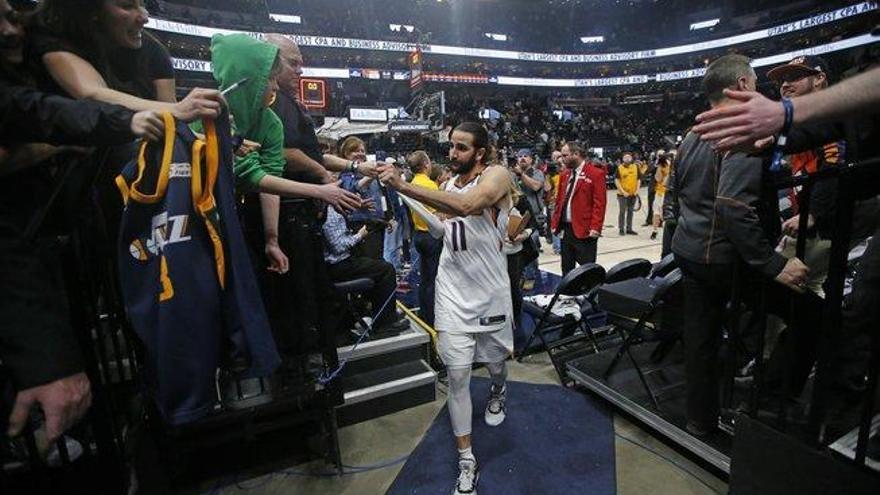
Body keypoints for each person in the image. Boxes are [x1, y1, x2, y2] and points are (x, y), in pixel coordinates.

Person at [671, 54, 822, 436]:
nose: (760, 93)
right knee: (813, 315)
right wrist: (774, 264)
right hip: (724, 257)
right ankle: (770, 403)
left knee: (700, 340)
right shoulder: (742, 130)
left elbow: (680, 195)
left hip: (689, 251)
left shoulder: (691, 135)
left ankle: (700, 420)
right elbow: (733, 206)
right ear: (740, 87)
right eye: (755, 84)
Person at [378, 122, 513, 495]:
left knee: (498, 363)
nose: (452, 154)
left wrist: (406, 185)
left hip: (489, 293)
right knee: (457, 375)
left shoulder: (498, 176)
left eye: (462, 148)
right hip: (452, 291)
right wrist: (404, 196)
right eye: (451, 146)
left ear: (481, 153)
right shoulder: (448, 184)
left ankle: (499, 390)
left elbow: (471, 207)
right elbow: (445, 232)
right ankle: (466, 459)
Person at [768, 56, 842, 295]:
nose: (785, 85)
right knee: (810, 284)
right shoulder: (799, 118)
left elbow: (834, 162)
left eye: (794, 77)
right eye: (782, 80)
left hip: (826, 221)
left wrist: (812, 213)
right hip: (812, 214)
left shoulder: (828, 112)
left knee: (779, 283)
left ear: (820, 79)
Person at [322, 203, 409, 335]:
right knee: (386, 269)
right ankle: (385, 323)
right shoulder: (330, 213)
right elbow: (339, 247)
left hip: (340, 262)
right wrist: (360, 235)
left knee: (375, 264)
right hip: (339, 265)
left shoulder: (330, 209)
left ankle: (375, 312)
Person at [551, 142, 607, 275]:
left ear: (576, 154)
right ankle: (567, 293)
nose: (561, 159)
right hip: (566, 228)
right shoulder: (565, 174)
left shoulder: (595, 173)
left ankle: (590, 294)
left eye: (564, 155)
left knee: (587, 268)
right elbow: (560, 200)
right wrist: (555, 222)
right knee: (566, 266)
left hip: (585, 229)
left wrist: (596, 227)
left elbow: (599, 203)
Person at [407, 150, 442, 326]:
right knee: (434, 279)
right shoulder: (430, 185)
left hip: (418, 235)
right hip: (431, 236)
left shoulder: (412, 183)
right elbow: (439, 213)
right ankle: (433, 317)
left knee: (425, 278)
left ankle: (424, 312)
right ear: (426, 164)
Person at [511, 150, 545, 290]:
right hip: (517, 216)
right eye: (519, 156)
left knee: (532, 246)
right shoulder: (513, 175)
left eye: (525, 156)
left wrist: (521, 175)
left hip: (534, 216)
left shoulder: (537, 173)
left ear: (532, 159)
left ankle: (530, 276)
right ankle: (523, 275)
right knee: (519, 248)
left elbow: (536, 186)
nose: (522, 159)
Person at [614, 152, 639, 236]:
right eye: (625, 157)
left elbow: (639, 179)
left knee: (630, 211)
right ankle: (621, 229)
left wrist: (637, 190)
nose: (627, 158)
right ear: (623, 159)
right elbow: (616, 181)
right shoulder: (619, 168)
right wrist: (623, 192)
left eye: (629, 157)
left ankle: (629, 228)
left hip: (633, 194)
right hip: (622, 195)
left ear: (632, 158)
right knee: (622, 211)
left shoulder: (635, 167)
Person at [650, 154, 671, 241]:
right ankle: (654, 230)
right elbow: (658, 179)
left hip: (670, 193)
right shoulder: (660, 166)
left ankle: (668, 232)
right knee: (656, 212)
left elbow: (668, 181)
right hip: (660, 192)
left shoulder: (672, 165)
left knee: (667, 213)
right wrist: (659, 167)